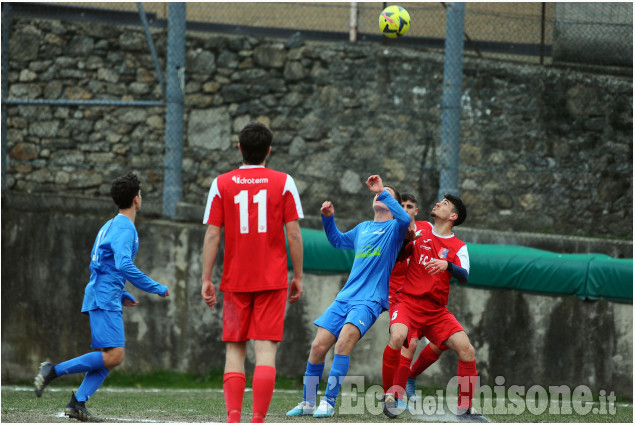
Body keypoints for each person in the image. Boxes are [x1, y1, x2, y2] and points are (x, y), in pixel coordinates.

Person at [33, 172, 170, 422]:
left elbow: (103, 265)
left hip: (103, 293)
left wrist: (123, 292)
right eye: (140, 193)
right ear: (136, 199)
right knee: (115, 355)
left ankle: (77, 403)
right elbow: (123, 264)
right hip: (104, 297)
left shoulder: (109, 225)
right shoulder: (125, 228)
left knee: (110, 357)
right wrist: (155, 287)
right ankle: (53, 371)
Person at [201, 121, 304, 423]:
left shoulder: (221, 183)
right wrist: (298, 275)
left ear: (239, 149)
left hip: (235, 280)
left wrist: (207, 278)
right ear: (269, 151)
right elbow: (294, 234)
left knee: (235, 349)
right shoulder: (283, 182)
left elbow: (211, 235)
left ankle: (234, 418)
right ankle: (257, 419)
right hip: (272, 280)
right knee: (266, 351)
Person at [286, 174, 410, 419]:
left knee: (342, 344)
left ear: (391, 202)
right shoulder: (363, 227)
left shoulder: (395, 228)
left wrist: (382, 189)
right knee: (318, 346)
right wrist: (328, 219)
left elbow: (405, 217)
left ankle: (329, 402)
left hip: (370, 300)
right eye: (377, 194)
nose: (379, 195)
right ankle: (308, 402)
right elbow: (337, 241)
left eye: (385, 194)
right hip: (345, 297)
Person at [382, 194, 486, 422]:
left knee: (466, 350)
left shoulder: (459, 246)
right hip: (408, 302)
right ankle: (391, 395)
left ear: (453, 216)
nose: (438, 203)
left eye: (445, 204)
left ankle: (465, 409)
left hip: (436, 311)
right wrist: (406, 241)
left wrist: (447, 264)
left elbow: (465, 274)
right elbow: (398, 256)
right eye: (439, 201)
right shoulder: (419, 229)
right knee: (400, 338)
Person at [386, 193, 444, 406]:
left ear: (416, 211)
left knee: (441, 343)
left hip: (425, 297)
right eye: (401, 205)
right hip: (399, 295)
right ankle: (396, 393)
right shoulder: (390, 230)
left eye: (409, 206)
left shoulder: (428, 228)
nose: (405, 208)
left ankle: (410, 375)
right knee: (406, 343)